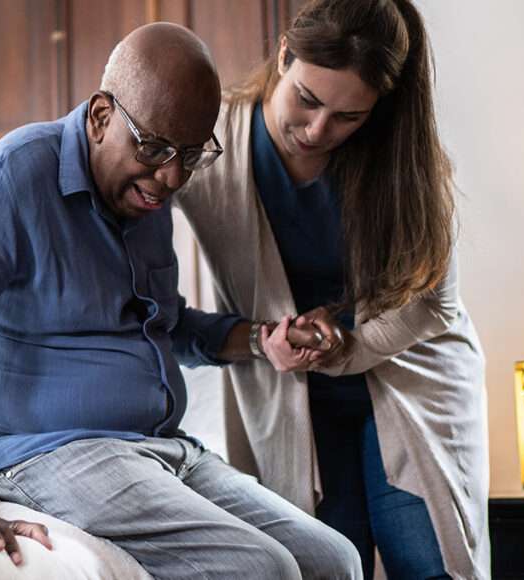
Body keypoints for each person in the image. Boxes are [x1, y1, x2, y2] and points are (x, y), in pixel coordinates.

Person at [0, 22, 362, 580]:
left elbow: (164, 327)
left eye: (191, 154)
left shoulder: (144, 197)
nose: (171, 177)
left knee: (335, 559)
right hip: (39, 452)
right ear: (102, 115)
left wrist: (258, 338)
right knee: (260, 568)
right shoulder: (14, 177)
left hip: (160, 447)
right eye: (154, 148)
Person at [174, 1, 489, 578]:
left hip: (409, 375)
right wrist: (257, 338)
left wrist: (349, 348)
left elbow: (435, 305)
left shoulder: (403, 160)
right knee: (329, 561)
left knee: (428, 558)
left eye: (348, 117)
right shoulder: (208, 140)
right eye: (307, 99)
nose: (318, 131)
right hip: (292, 392)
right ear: (284, 56)